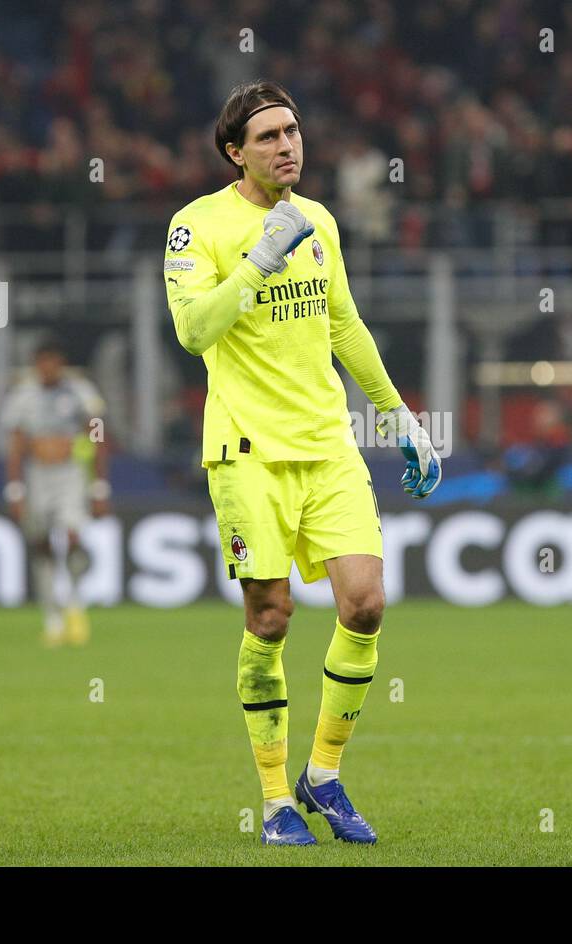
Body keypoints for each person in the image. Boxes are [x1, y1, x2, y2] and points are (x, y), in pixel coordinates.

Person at [164, 80, 442, 846]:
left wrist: (401, 420)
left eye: (293, 131)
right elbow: (193, 332)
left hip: (328, 447)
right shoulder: (196, 227)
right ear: (235, 153)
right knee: (272, 616)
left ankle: (322, 776)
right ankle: (272, 801)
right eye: (268, 137)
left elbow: (344, 326)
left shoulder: (318, 220)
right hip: (246, 453)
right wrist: (255, 263)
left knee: (365, 605)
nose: (287, 145)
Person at [1, 337, 110, 647]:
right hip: (37, 475)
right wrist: (14, 490)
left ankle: (74, 604)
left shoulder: (80, 391)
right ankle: (52, 617)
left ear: (60, 363)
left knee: (73, 535)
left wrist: (100, 485)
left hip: (71, 473)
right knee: (41, 543)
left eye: (52, 362)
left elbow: (98, 433)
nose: (47, 369)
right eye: (42, 362)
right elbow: (16, 445)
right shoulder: (23, 395)